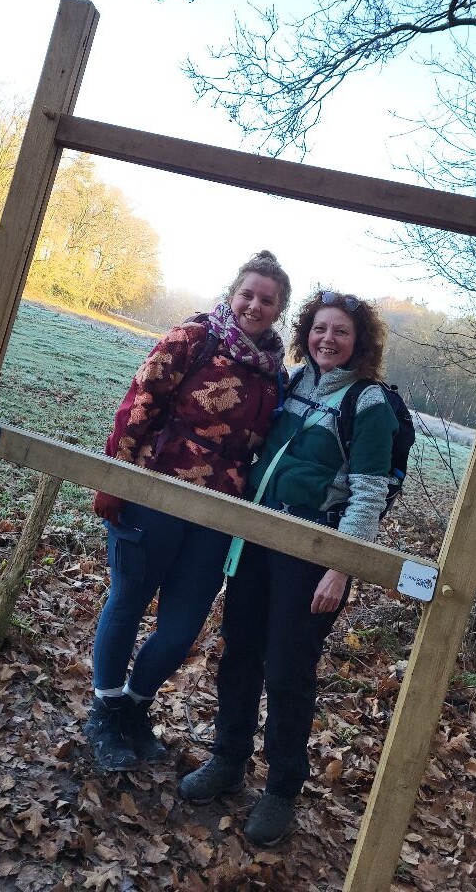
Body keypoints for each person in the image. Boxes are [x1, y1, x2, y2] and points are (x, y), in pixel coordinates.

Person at [179, 290, 398, 847]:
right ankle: (228, 759)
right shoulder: (295, 380)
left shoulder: (369, 402)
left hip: (312, 554)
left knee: (287, 669)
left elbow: (369, 493)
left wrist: (341, 568)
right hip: (257, 538)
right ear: (306, 333)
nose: (328, 339)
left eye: (341, 331)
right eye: (320, 328)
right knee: (240, 650)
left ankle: (281, 789)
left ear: (360, 342)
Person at [85, 250, 292, 773]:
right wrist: (114, 477)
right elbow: (139, 402)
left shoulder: (276, 374)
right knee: (129, 600)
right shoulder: (194, 339)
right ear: (232, 294)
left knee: (182, 627)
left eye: (267, 300)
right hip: (155, 490)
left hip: (218, 511)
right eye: (247, 294)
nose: (255, 306)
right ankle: (104, 713)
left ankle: (134, 707)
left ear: (280, 309)